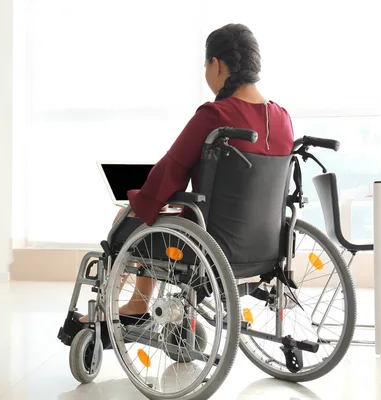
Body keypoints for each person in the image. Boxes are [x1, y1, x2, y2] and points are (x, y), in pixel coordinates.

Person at [79, 23, 294, 323]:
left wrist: (142, 201)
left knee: (130, 220)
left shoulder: (216, 115)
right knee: (158, 216)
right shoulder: (283, 118)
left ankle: (111, 309)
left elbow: (172, 169)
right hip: (265, 246)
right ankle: (151, 308)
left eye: (206, 64)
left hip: (211, 244)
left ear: (217, 65)